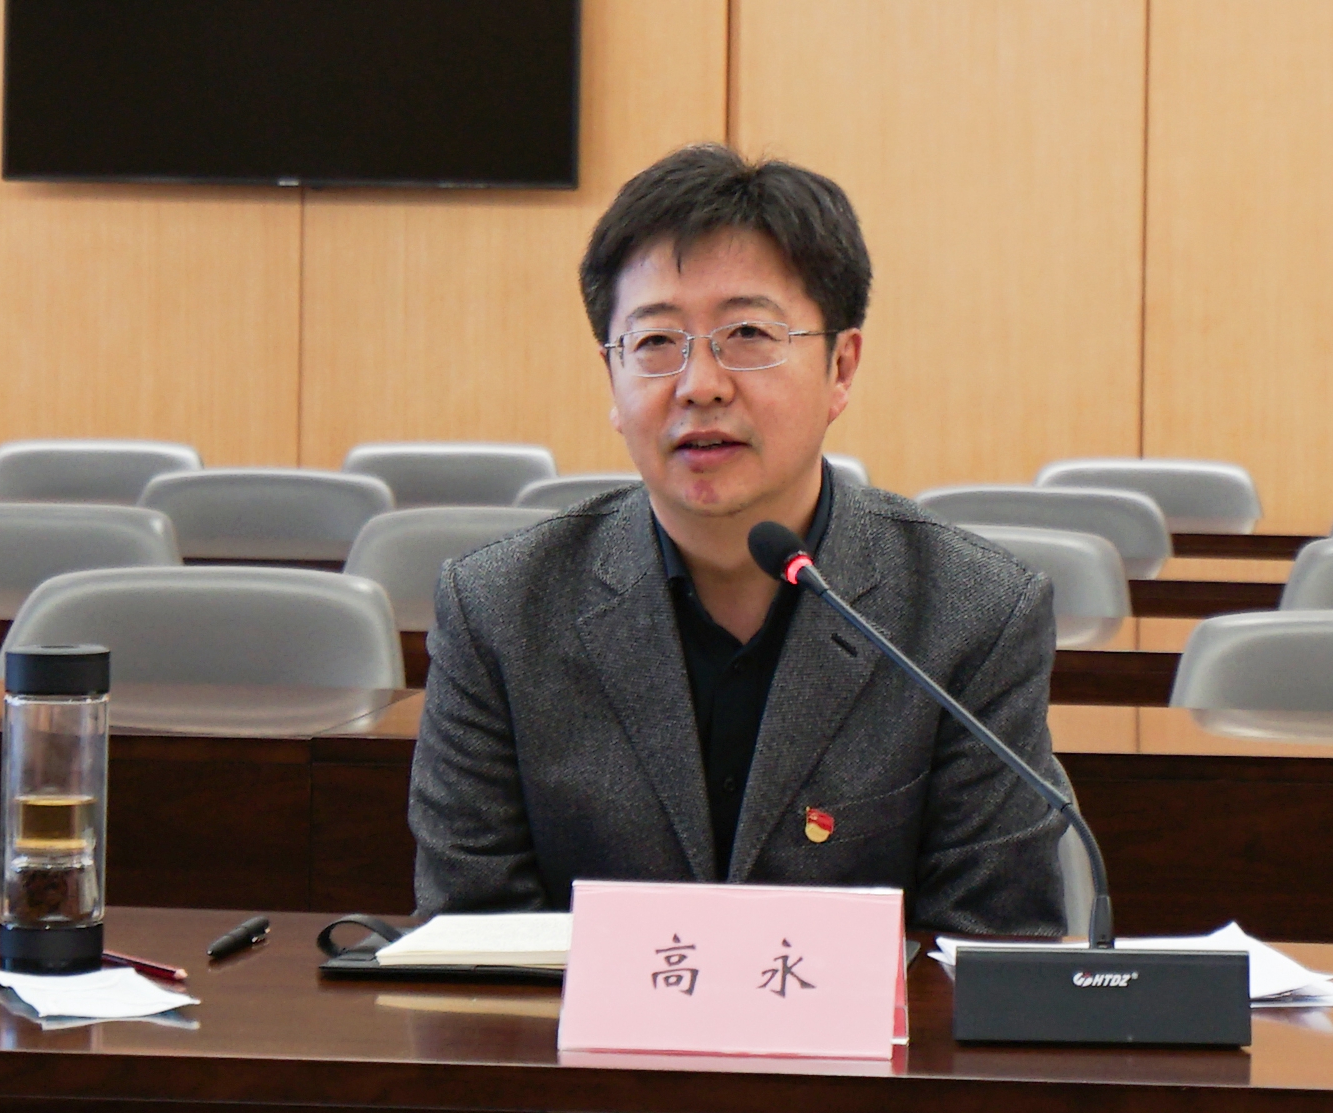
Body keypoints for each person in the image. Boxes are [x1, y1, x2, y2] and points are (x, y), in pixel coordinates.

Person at [409, 144, 1071, 934]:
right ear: (611, 379)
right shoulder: (499, 610)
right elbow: (473, 942)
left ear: (840, 368)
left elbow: (989, 946)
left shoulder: (973, 613)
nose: (700, 385)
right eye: (655, 343)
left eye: (748, 333)